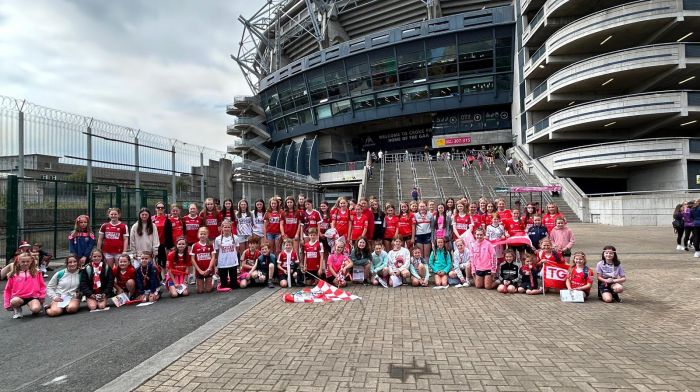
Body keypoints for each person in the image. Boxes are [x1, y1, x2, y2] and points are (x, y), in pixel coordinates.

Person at [4, 252, 46, 319]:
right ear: (18, 261)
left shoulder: (37, 272)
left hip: (33, 297)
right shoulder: (13, 274)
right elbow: (7, 289)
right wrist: (7, 304)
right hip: (19, 298)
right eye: (23, 261)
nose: (25, 263)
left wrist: (42, 296)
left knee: (36, 310)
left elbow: (42, 286)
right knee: (14, 301)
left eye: (27, 261)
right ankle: (17, 310)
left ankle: (38, 306)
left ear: (31, 261)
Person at [190, 227, 216, 294]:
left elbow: (213, 257)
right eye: (201, 234)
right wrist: (199, 270)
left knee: (208, 290)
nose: (203, 235)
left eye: (204, 234)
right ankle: (199, 283)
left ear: (207, 235)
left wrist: (209, 269)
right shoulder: (194, 245)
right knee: (200, 291)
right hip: (200, 270)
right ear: (198, 235)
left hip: (208, 269)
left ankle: (211, 282)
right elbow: (192, 259)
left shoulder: (211, 245)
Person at [215, 220, 239, 290]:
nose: (227, 229)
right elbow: (217, 251)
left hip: (232, 263)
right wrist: (217, 263)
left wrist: (233, 257)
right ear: (222, 228)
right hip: (222, 263)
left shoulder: (235, 237)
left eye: (228, 227)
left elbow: (237, 249)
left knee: (234, 286)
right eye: (225, 227)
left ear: (231, 228)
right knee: (224, 286)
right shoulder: (218, 239)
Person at [152, 201, 170, 268]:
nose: (160, 209)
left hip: (164, 244)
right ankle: (158, 277)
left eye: (162, 207)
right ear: (155, 209)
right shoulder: (152, 219)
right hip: (155, 244)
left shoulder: (167, 218)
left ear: (164, 209)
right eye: (158, 207)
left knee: (165, 262)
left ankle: (165, 277)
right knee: (156, 262)